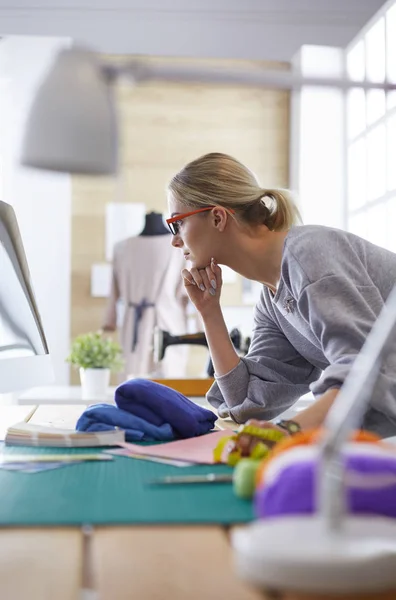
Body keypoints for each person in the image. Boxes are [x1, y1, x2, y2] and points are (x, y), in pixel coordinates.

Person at [165, 152, 396, 445]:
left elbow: (366, 371)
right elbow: (248, 402)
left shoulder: (309, 254)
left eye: (177, 224)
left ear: (217, 217)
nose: (174, 240)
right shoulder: (273, 298)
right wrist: (209, 313)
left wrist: (287, 432)